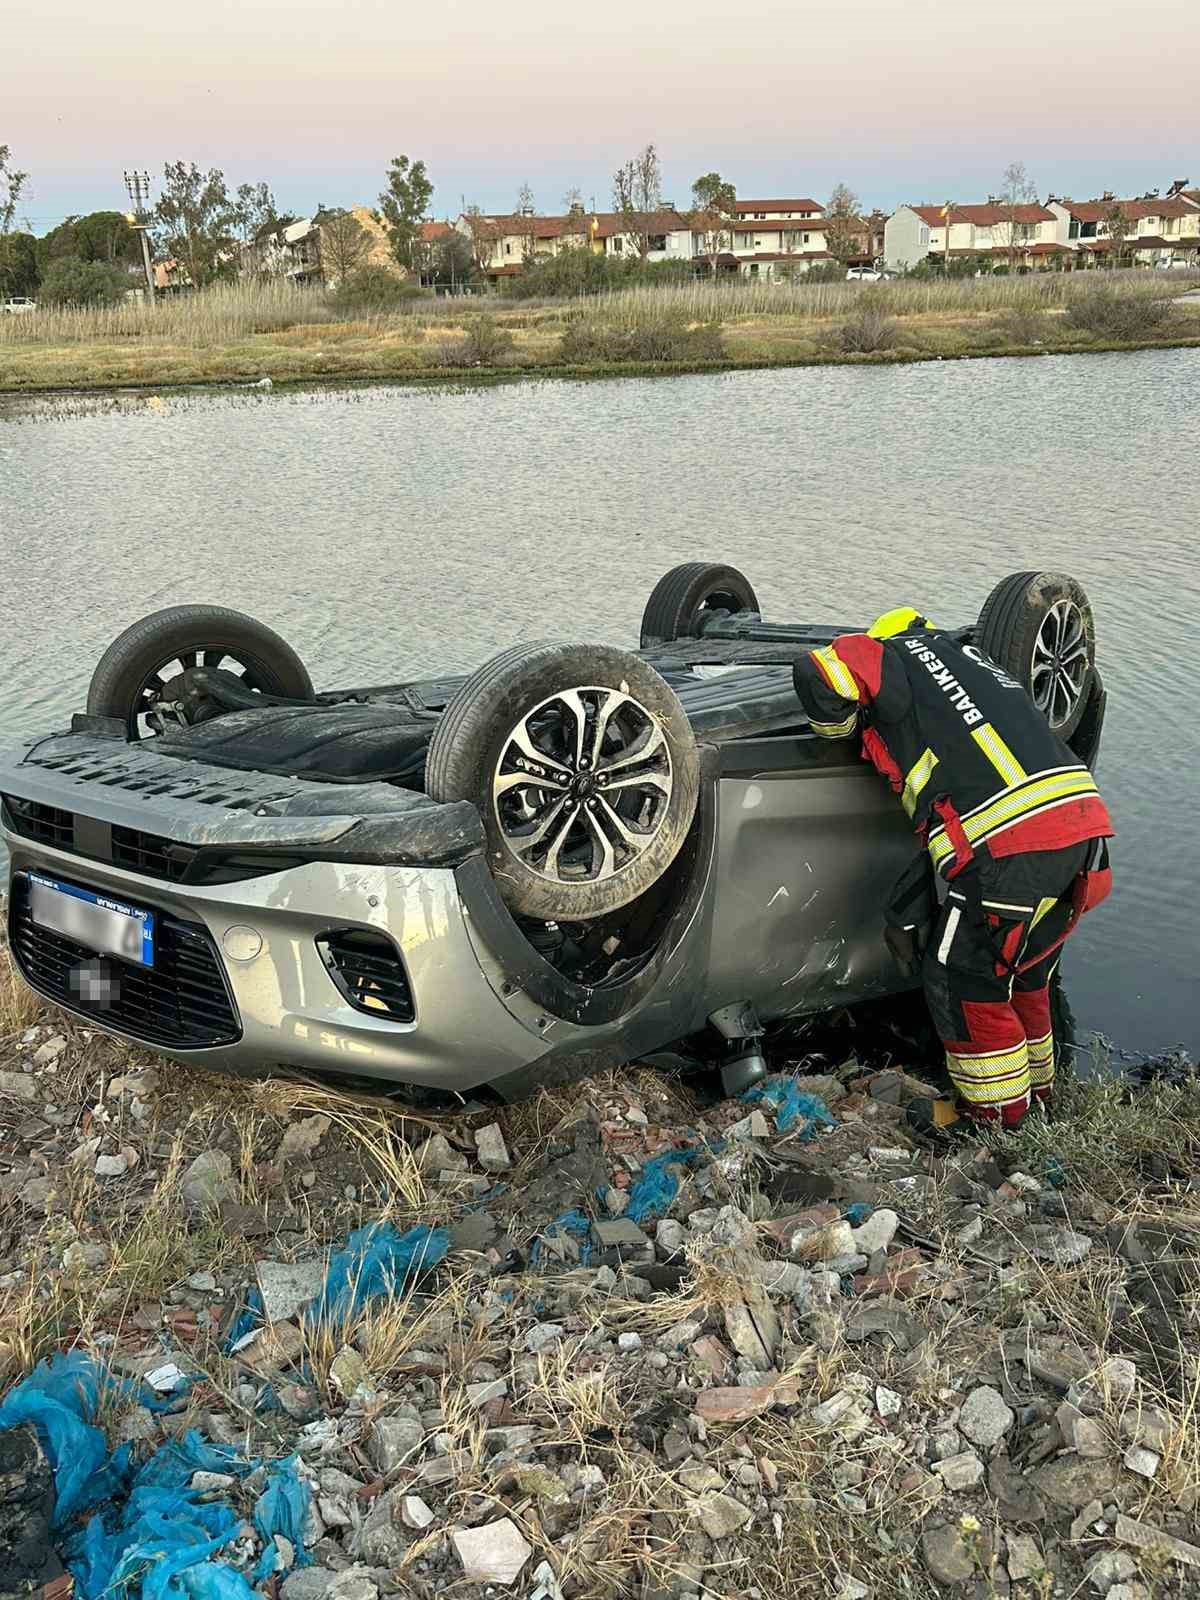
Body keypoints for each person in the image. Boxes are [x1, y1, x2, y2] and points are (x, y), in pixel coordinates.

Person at [792, 607, 1113, 1129]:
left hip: (1009, 847)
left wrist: (841, 728)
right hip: (1086, 831)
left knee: (961, 978)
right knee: (1025, 977)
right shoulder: (976, 659)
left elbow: (818, 671)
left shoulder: (885, 654)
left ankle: (996, 1120)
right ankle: (1041, 1102)